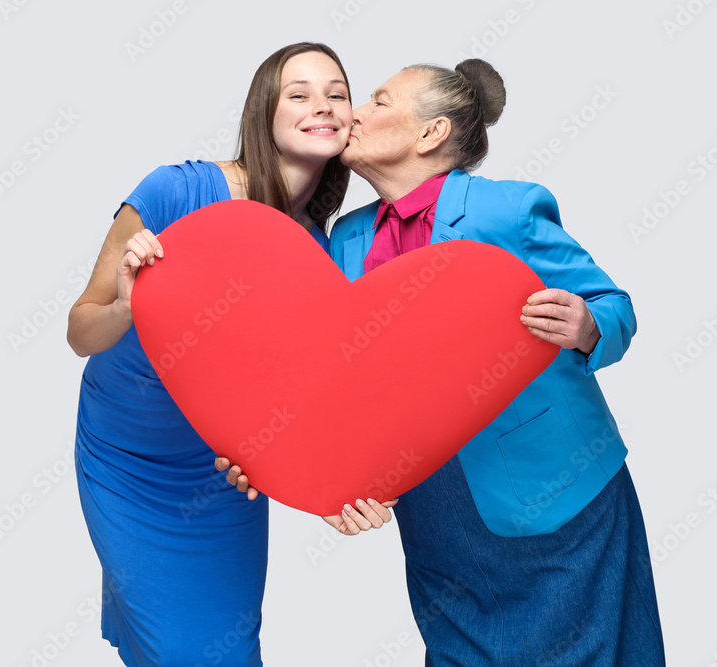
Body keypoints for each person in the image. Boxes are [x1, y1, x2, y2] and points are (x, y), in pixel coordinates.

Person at [224, 60, 665, 665]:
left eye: (379, 101)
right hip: (434, 508)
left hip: (555, 489)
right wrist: (282, 460)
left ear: (430, 133)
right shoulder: (347, 237)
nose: (354, 114)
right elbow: (327, 372)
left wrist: (588, 327)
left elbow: (614, 305)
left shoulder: (507, 210)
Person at [67, 42, 364, 666]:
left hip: (222, 478)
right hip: (128, 460)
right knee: (176, 649)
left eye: (337, 94)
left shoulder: (320, 253)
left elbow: (296, 393)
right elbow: (80, 331)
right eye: (300, 94)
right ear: (265, 111)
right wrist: (126, 307)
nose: (323, 106)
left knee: (226, 650)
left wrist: (329, 482)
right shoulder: (176, 190)